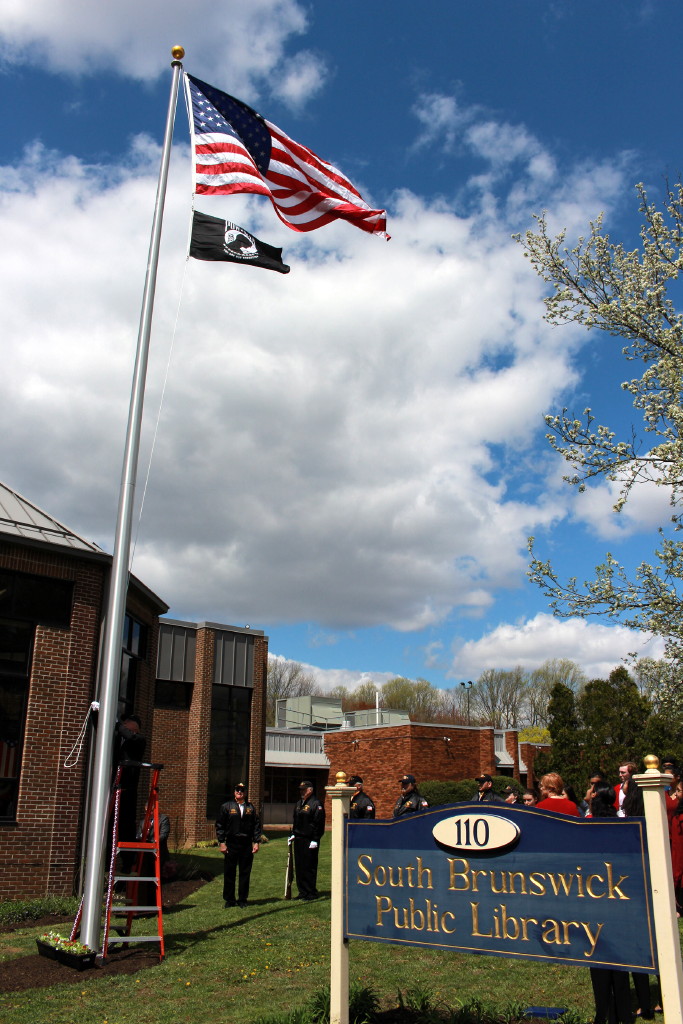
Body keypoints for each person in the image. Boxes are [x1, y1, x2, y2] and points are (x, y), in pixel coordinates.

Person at [587, 781, 635, 1024]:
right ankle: (622, 1013)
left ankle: (603, 1013)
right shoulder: (621, 825)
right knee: (619, 961)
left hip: (597, 897)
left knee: (599, 959)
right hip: (619, 899)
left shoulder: (588, 828)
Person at [216, 782, 261, 908]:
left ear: (245, 793)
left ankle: (242, 899)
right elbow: (220, 826)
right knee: (229, 872)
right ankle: (229, 899)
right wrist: (222, 843)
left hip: (246, 844)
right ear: (234, 792)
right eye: (237, 790)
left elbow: (256, 826)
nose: (239, 792)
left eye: (242, 790)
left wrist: (256, 842)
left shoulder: (250, 808)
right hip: (231, 843)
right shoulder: (226, 806)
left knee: (245, 872)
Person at [290, 779, 325, 901]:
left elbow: (318, 823)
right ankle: (302, 891)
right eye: (301, 790)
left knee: (309, 866)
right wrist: (293, 833)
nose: (302, 792)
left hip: (310, 840)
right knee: (299, 866)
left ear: (310, 790)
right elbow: (296, 820)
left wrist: (315, 839)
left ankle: (311, 892)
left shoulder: (316, 803)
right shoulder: (299, 803)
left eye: (304, 790)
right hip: (299, 838)